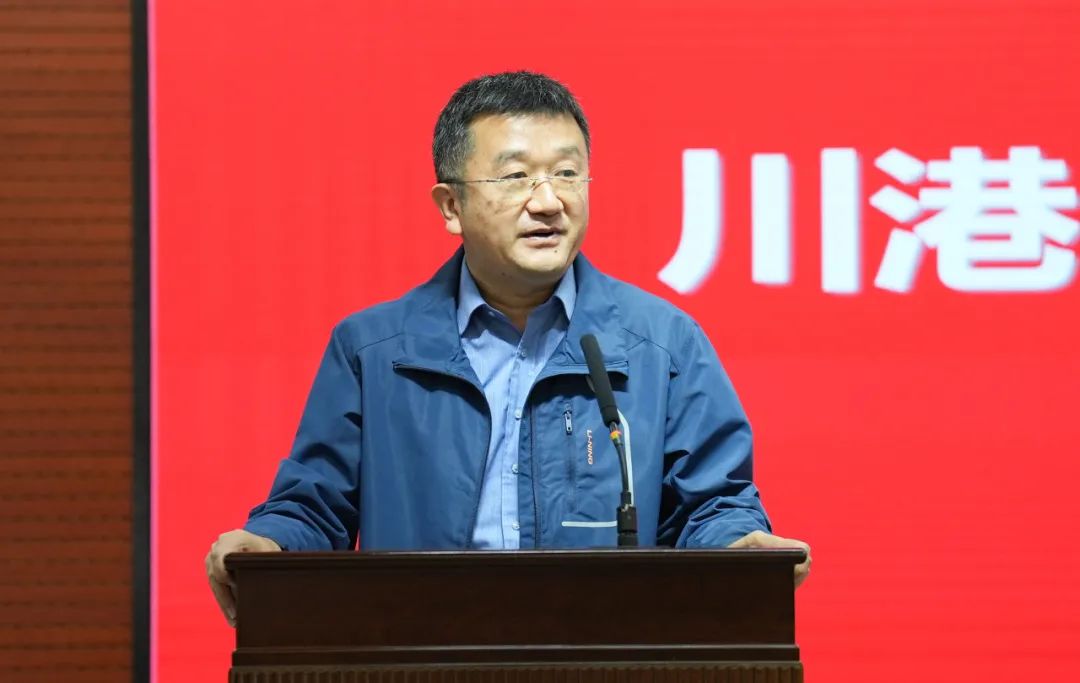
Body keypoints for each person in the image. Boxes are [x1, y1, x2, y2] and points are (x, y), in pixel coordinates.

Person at [206, 71, 811, 626]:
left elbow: (712, 506)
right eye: (516, 177)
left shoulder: (662, 343)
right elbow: (316, 508)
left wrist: (742, 547)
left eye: (568, 174)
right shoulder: (373, 351)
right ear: (452, 206)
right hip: (423, 652)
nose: (548, 201)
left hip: (604, 653)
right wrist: (267, 543)